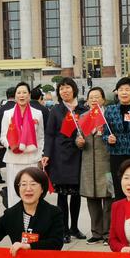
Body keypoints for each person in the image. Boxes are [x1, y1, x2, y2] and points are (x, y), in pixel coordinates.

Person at [44, 78, 87, 243]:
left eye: (67, 87)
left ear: (74, 89)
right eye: (61, 88)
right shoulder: (56, 110)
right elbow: (49, 134)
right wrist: (47, 154)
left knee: (76, 195)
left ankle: (74, 227)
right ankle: (63, 230)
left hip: (79, 155)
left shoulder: (83, 109)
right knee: (62, 196)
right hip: (60, 156)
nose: (64, 91)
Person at [0, 82, 46, 208]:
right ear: (15, 96)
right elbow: (3, 137)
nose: (22, 95)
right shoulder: (7, 114)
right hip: (13, 158)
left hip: (32, 158)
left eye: (24, 92)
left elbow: (41, 137)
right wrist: (10, 145)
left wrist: (40, 155)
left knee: (32, 191)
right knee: (15, 191)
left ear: (29, 95)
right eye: (19, 93)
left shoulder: (37, 113)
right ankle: (14, 218)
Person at [79, 87, 113, 244]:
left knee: (108, 199)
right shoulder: (83, 117)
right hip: (88, 164)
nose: (94, 100)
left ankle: (108, 233)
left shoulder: (109, 115)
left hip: (106, 164)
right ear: (87, 101)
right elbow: (78, 138)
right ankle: (96, 232)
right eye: (91, 97)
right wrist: (78, 142)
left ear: (103, 100)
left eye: (97, 97)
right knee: (92, 200)